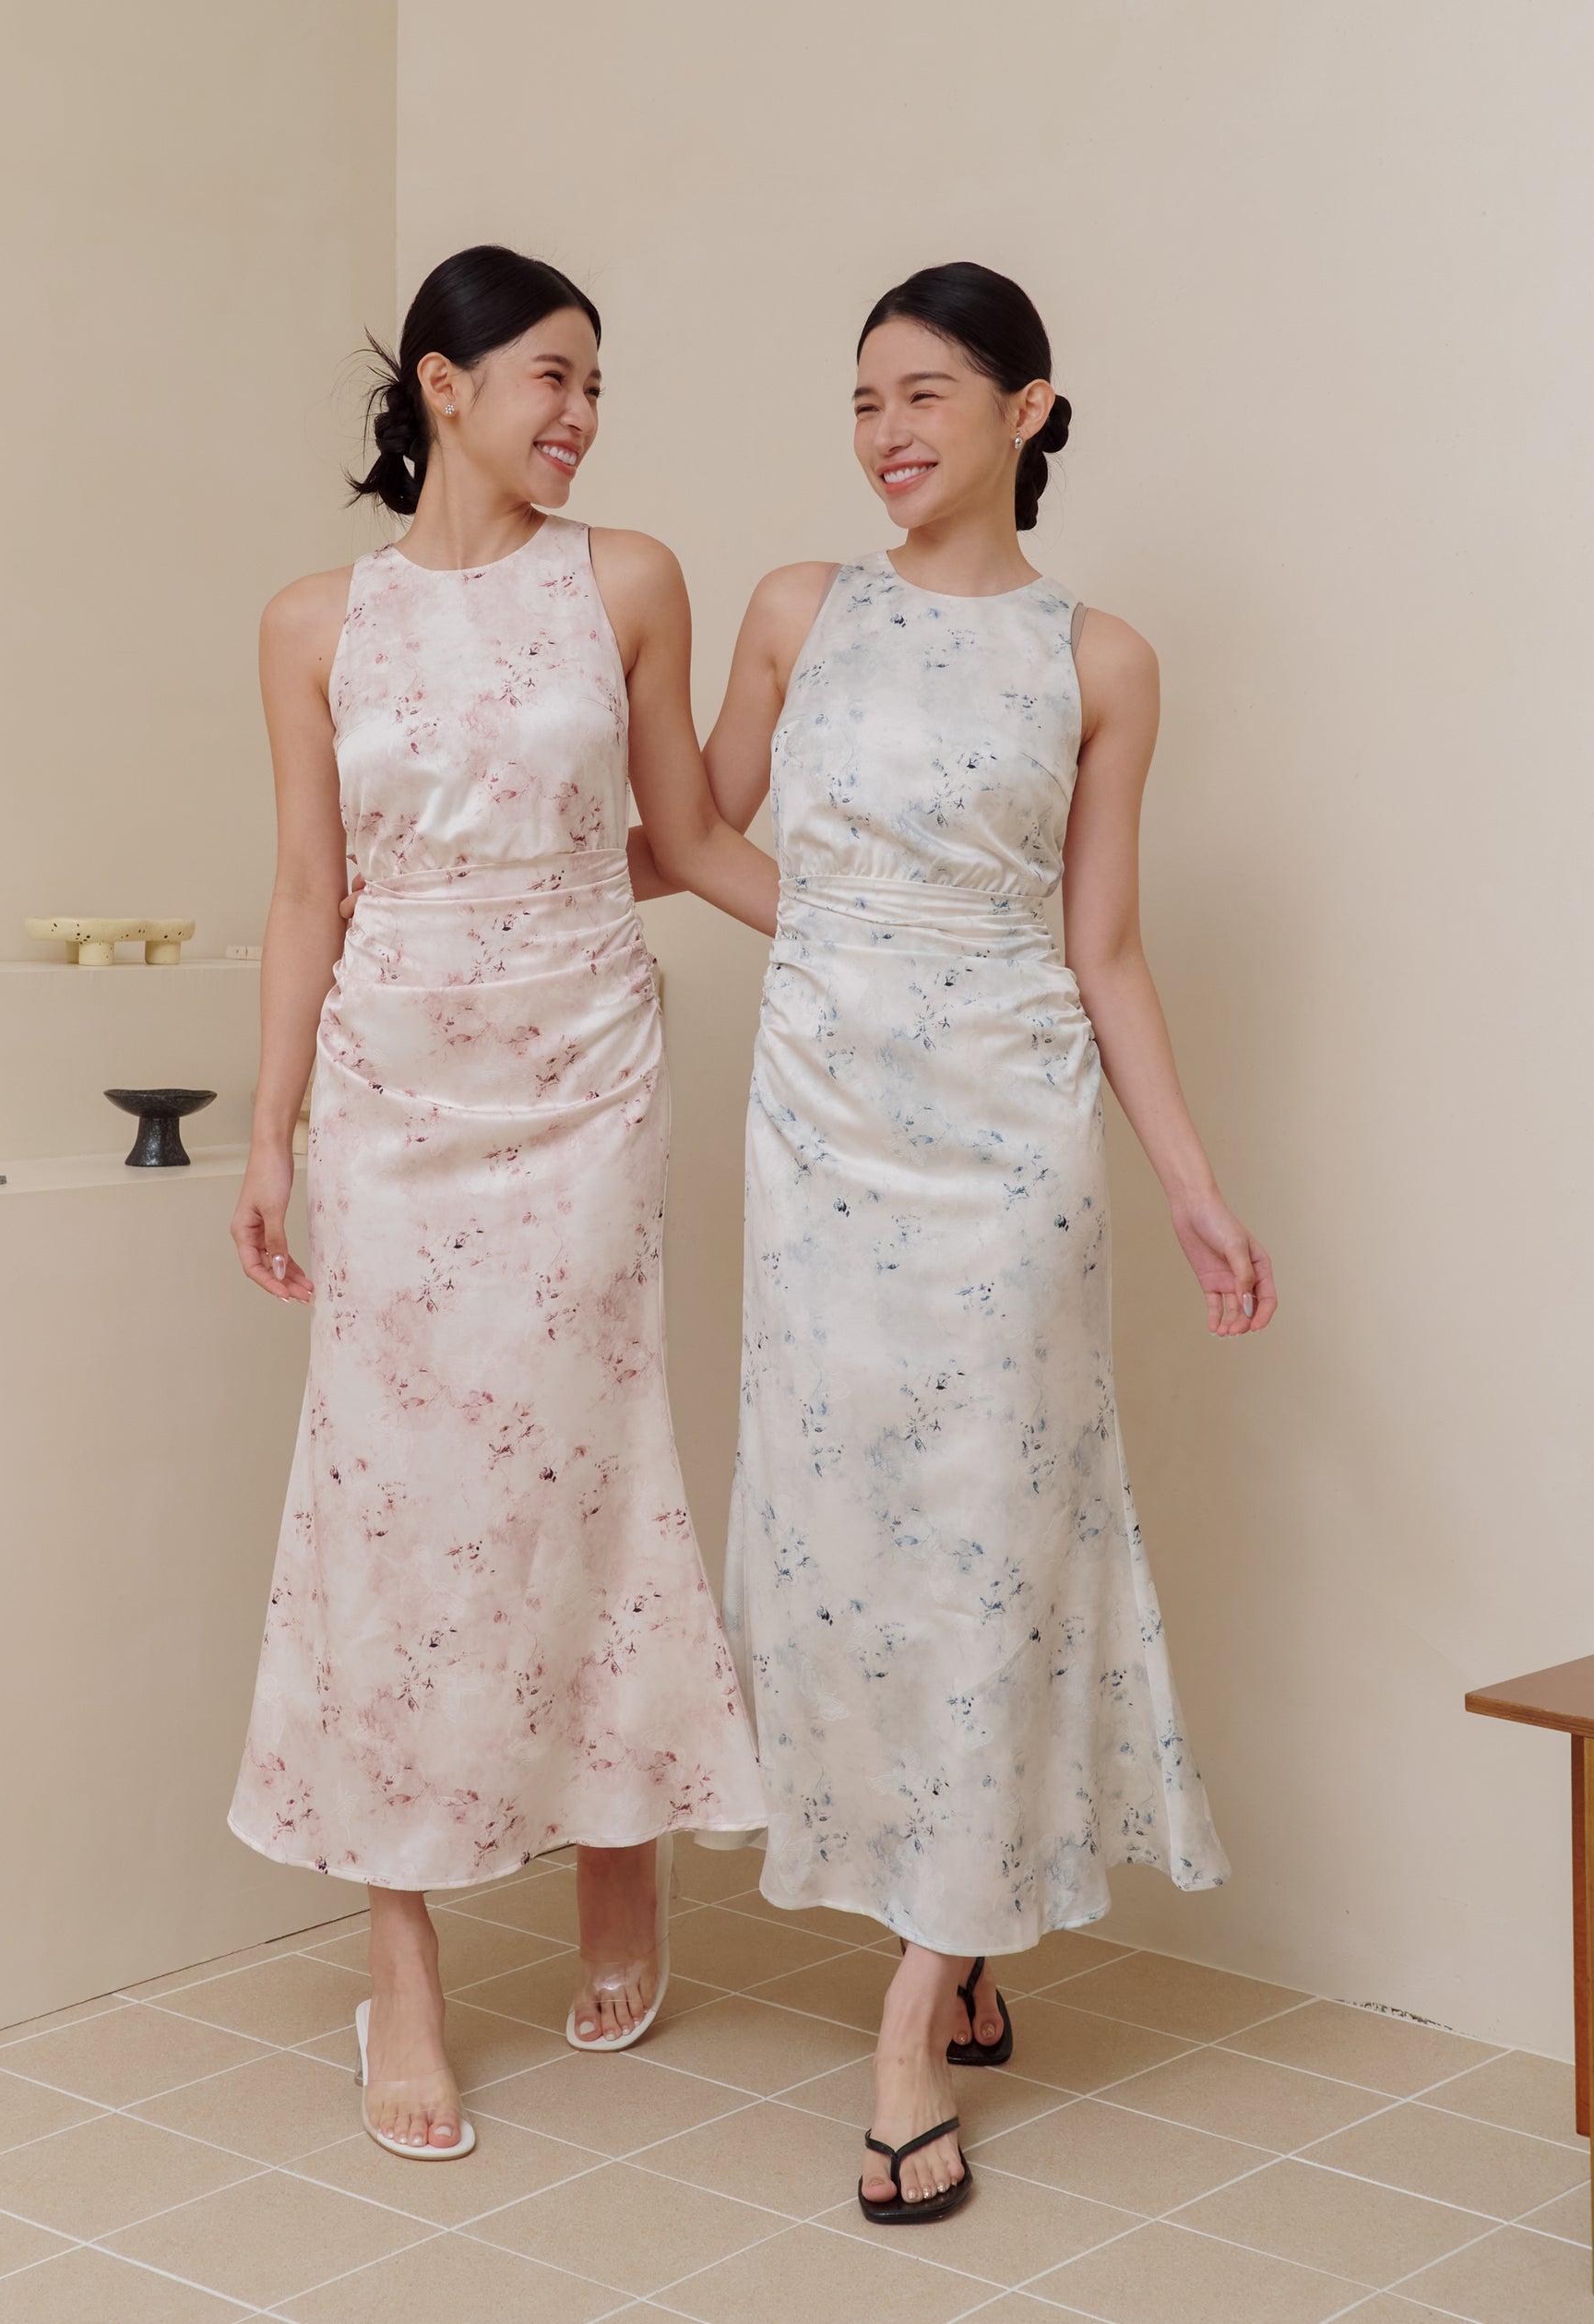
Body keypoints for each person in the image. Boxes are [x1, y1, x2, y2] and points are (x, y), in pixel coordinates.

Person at [696, 261, 1275, 2221]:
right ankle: (953, 1921)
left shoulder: (1098, 659)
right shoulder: (798, 611)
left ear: (1026, 411)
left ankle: (909, 2019)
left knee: (994, 1547)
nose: (886, 432)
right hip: (822, 1135)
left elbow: (1102, 946)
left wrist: (1187, 1179)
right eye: (864, 397)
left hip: (1012, 1139)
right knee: (853, 1542)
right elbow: (688, 833)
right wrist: (845, 942)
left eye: (925, 393)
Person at [227, 244, 775, 2161]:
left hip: (583, 1074)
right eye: (552, 375)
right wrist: (272, 1127)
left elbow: (684, 837)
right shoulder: (313, 621)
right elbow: (308, 888)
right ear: (443, 387)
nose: (581, 415)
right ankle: (401, 1964)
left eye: (596, 385)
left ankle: (620, 1841)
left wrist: (890, 935)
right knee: (387, 1501)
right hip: (389, 1087)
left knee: (585, 1457)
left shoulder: (627, 580)